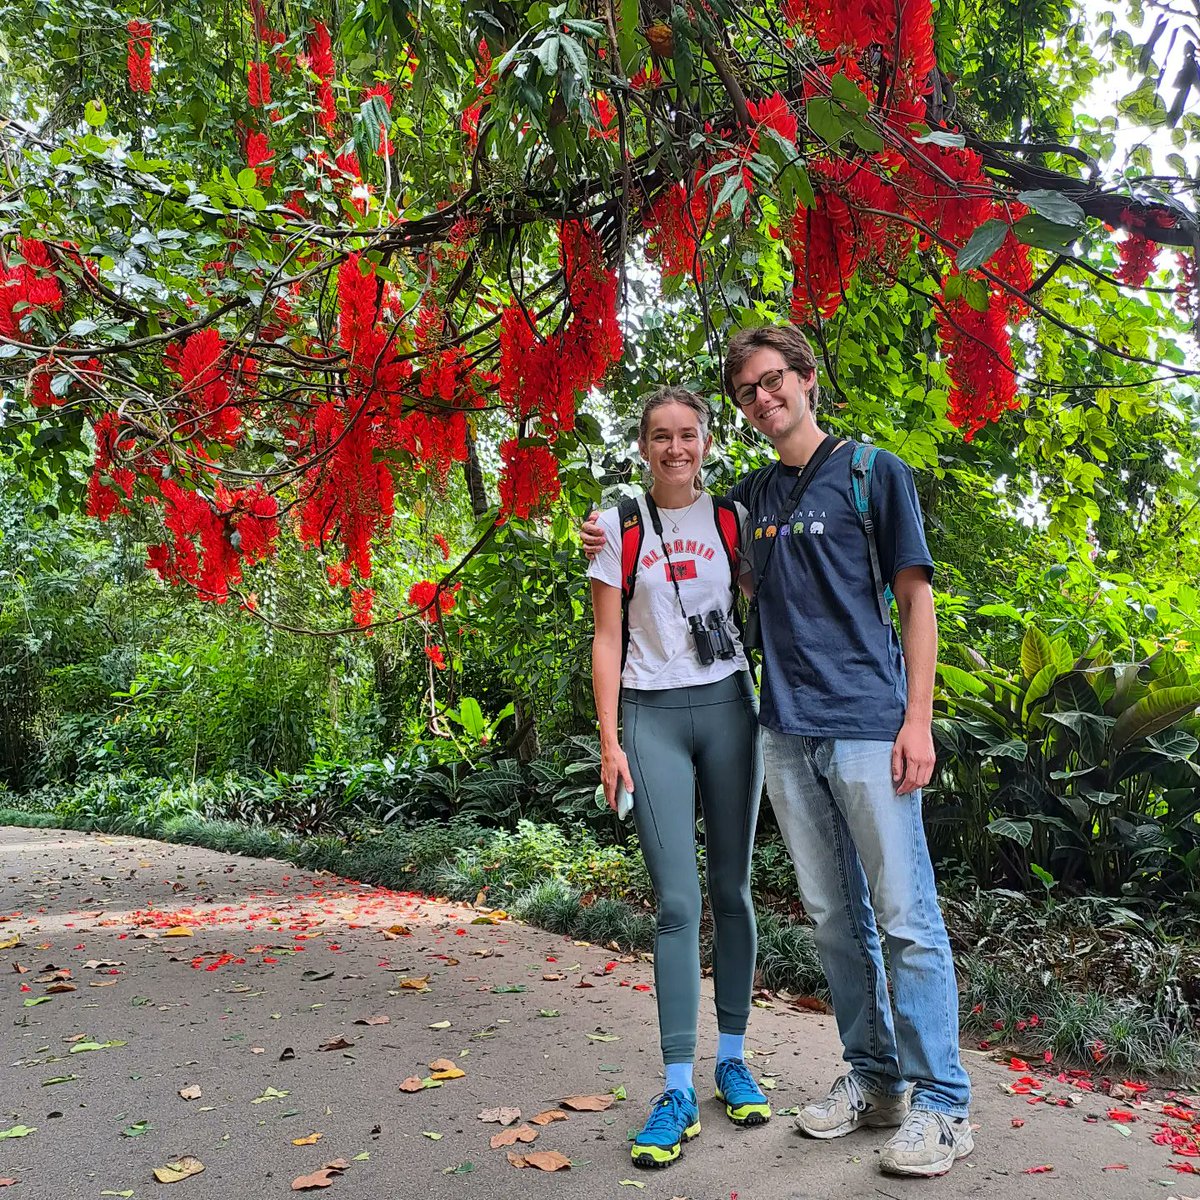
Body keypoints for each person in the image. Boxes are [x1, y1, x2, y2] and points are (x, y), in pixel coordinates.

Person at [583, 326, 973, 1179]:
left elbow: (916, 601)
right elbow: (688, 536)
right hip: (787, 732)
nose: (763, 398)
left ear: (806, 380)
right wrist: (606, 531)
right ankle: (875, 1080)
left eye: (773, 381)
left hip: (871, 724)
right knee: (837, 921)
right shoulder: (753, 498)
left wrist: (918, 719)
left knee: (906, 918)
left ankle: (943, 1102)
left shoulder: (875, 474)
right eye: (748, 390)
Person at [588, 386, 769, 1169]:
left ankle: (731, 1057)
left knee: (731, 891)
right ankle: (675, 1088)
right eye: (660, 436)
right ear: (643, 447)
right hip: (650, 716)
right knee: (676, 901)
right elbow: (603, 638)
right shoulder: (617, 526)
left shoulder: (732, 519)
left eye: (687, 435)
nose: (675, 448)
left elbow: (776, 599)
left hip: (730, 707)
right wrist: (609, 740)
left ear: (705, 441)